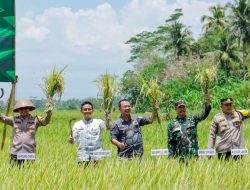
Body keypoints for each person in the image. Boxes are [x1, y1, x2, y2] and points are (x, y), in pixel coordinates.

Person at [0, 99, 53, 167]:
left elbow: (46, 121)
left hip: (29, 153)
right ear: (18, 110)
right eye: (21, 108)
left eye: (25, 108)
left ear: (29, 109)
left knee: (29, 174)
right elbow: (2, 118)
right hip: (15, 153)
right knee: (14, 174)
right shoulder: (13, 119)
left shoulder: (35, 120)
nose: (23, 110)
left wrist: (49, 113)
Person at [167, 95, 211, 161]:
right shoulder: (172, 124)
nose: (182, 109)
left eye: (183, 107)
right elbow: (170, 143)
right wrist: (171, 158)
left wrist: (207, 103)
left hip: (193, 156)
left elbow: (203, 115)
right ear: (175, 109)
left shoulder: (192, 120)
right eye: (179, 107)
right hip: (179, 157)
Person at [69, 101, 110, 167]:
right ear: (81, 111)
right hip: (82, 156)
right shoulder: (77, 125)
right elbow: (72, 141)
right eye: (85, 109)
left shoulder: (99, 122)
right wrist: (71, 140)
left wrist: (108, 120)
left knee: (98, 175)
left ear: (93, 111)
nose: (87, 111)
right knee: (82, 175)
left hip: (97, 156)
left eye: (89, 109)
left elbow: (108, 128)